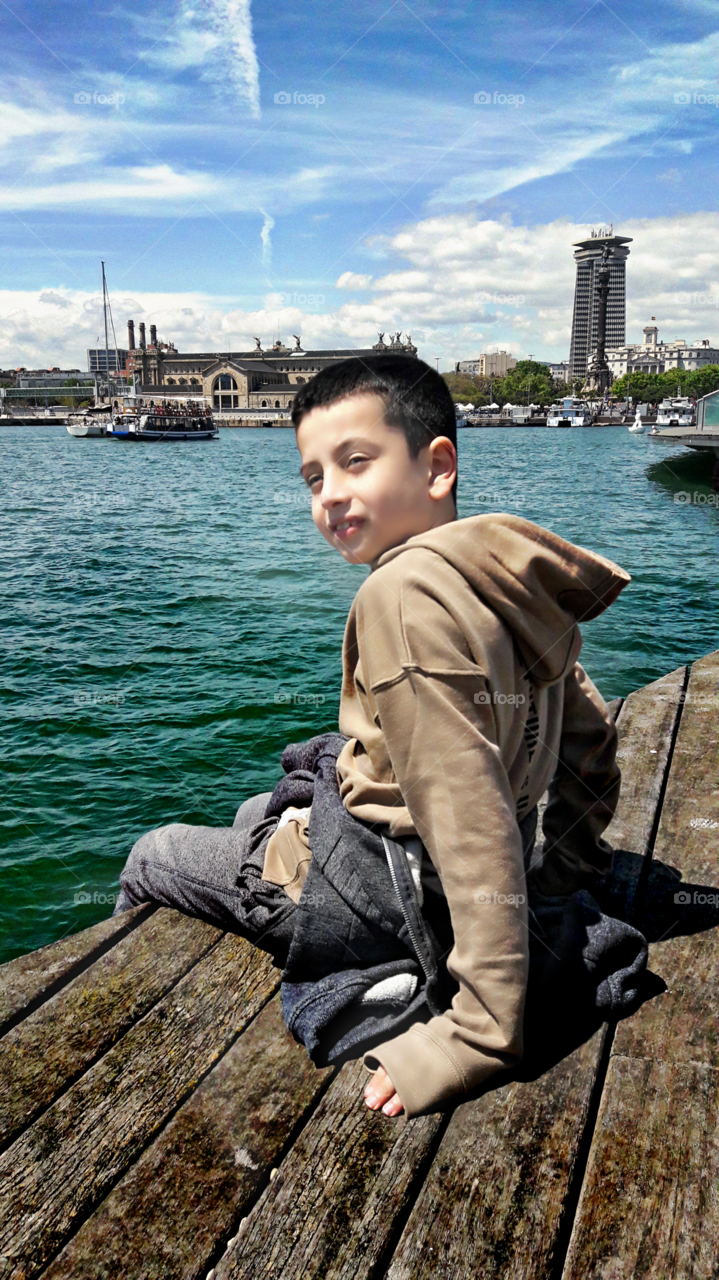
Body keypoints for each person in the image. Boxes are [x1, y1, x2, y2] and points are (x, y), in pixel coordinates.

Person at [114, 355, 629, 1119]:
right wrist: (566, 869)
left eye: (355, 462)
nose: (330, 495)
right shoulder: (503, 580)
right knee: (265, 807)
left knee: (153, 853)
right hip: (463, 858)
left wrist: (480, 1033)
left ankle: (125, 1037)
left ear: (437, 466)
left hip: (388, 888)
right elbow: (587, 741)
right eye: (313, 477)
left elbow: (463, 807)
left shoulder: (398, 595)